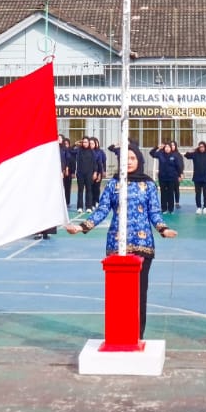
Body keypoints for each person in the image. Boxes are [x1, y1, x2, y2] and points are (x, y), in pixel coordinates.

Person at [65, 144, 176, 339]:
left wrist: (163, 229)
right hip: (116, 243)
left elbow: (154, 212)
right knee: (118, 294)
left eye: (132, 158)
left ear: (139, 160)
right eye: (125, 158)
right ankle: (118, 335)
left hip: (142, 244)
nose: (129, 162)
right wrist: (82, 227)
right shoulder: (113, 184)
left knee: (139, 293)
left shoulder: (148, 185)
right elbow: (102, 209)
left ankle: (136, 336)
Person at [152, 141, 185, 214]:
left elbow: (178, 166)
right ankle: (164, 209)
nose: (167, 148)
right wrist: (157, 147)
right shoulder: (160, 154)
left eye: (168, 147)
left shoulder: (174, 156)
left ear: (170, 148)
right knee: (163, 193)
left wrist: (180, 174)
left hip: (172, 177)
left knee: (171, 193)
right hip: (162, 177)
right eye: (166, 147)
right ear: (164, 148)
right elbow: (151, 153)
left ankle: (171, 209)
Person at [186, 142, 206, 213]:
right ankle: (198, 207)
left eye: (203, 147)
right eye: (200, 147)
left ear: (205, 147)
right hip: (197, 177)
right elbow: (187, 155)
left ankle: (205, 206)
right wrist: (194, 150)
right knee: (198, 193)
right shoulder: (195, 154)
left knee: (205, 193)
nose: (201, 148)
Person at [72, 138, 98, 213]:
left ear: (88, 143)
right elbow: (71, 151)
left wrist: (95, 172)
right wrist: (75, 144)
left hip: (89, 174)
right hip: (80, 174)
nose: (85, 143)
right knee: (80, 190)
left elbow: (94, 163)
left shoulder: (92, 152)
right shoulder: (79, 150)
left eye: (86, 142)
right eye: (83, 142)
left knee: (89, 190)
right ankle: (79, 207)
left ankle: (88, 207)